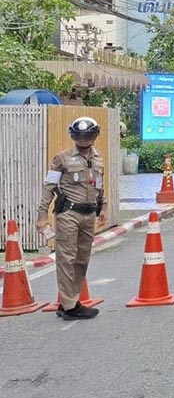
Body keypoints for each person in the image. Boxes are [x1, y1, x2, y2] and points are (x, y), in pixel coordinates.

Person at [36, 117, 105, 320]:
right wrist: (42, 216)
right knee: (66, 258)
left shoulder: (98, 158)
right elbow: (49, 187)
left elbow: (99, 185)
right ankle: (69, 306)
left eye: (87, 135)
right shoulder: (61, 158)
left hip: (89, 214)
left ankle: (71, 301)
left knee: (82, 259)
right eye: (79, 135)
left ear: (95, 136)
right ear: (73, 136)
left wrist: (103, 207)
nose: (83, 139)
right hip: (69, 214)